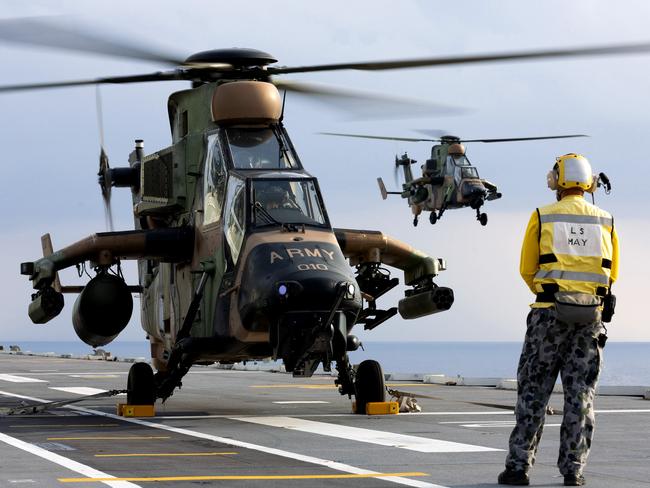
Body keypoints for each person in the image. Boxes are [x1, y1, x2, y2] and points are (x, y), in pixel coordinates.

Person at [498, 154, 619, 487]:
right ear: (589, 181)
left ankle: (518, 468)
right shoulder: (606, 220)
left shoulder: (543, 216)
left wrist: (551, 294)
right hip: (590, 318)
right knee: (581, 397)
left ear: (557, 180)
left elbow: (527, 268)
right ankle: (573, 470)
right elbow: (613, 274)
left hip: (548, 316)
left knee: (533, 393)